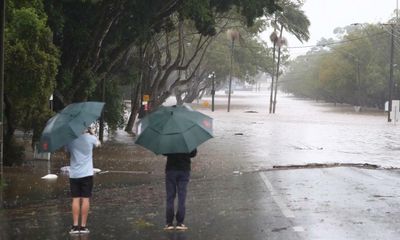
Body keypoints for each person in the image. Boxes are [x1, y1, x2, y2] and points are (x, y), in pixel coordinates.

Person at [66, 127, 100, 234]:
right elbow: (99, 144)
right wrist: (93, 134)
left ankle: (75, 226)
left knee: (75, 199)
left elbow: (67, 152)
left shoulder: (70, 139)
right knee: (85, 199)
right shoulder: (90, 138)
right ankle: (83, 227)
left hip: (74, 174)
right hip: (87, 174)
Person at [163, 149, 197, 231]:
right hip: (184, 170)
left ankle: (169, 223)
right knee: (182, 197)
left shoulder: (169, 139)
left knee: (170, 197)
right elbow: (193, 154)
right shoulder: (188, 139)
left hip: (171, 170)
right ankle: (180, 223)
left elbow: (164, 152)